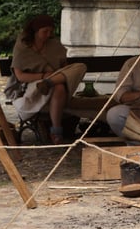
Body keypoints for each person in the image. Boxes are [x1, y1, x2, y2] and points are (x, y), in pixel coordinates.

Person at [10, 15, 87, 144]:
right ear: (35, 31)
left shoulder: (55, 45)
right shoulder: (23, 47)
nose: (48, 34)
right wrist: (43, 76)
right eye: (45, 31)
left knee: (80, 67)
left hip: (54, 81)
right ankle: (56, 131)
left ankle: (50, 82)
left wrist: (54, 77)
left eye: (50, 31)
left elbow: (65, 69)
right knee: (59, 86)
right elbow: (20, 76)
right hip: (34, 84)